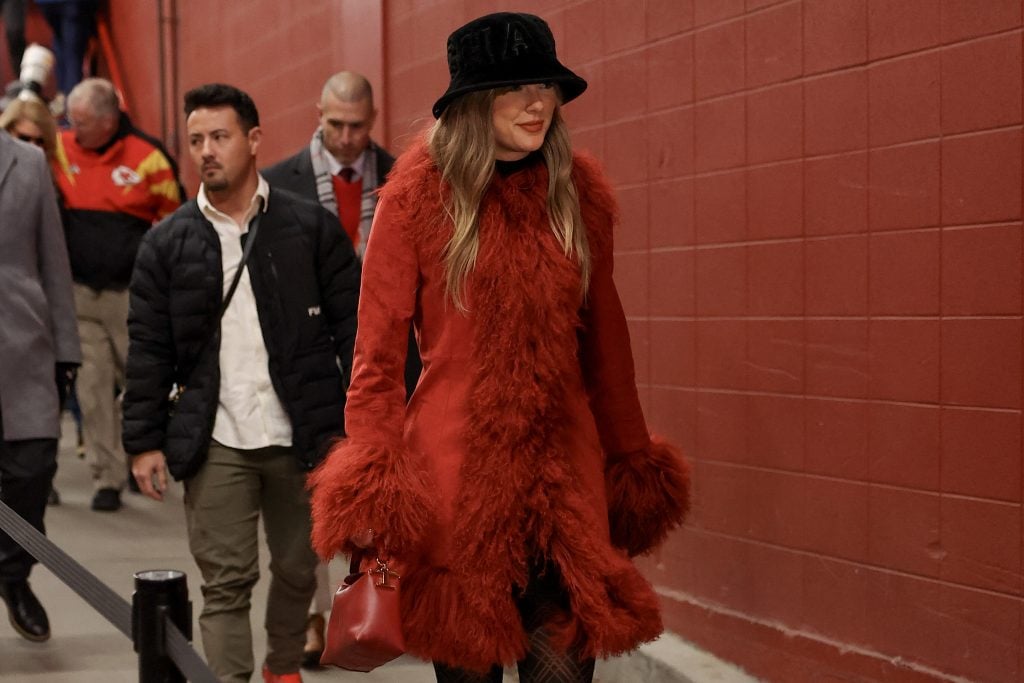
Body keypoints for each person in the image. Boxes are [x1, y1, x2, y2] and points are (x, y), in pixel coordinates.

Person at [309, 12, 690, 683]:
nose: (538, 100)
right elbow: (375, 357)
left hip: (563, 480)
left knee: (564, 670)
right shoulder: (415, 201)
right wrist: (372, 478)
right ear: (472, 104)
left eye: (545, 85)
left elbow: (608, 346)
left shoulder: (578, 197)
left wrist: (630, 459)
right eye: (516, 88)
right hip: (456, 479)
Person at [123, 83, 360, 683]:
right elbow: (148, 350)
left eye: (220, 137)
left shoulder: (309, 229)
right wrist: (143, 441)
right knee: (225, 583)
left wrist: (367, 431)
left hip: (302, 434)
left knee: (299, 569)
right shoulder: (167, 243)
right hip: (216, 437)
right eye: (196, 139)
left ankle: (282, 667)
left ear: (253, 140)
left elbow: (356, 331)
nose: (206, 150)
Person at [263, 69, 419, 668]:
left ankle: (381, 601)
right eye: (335, 125)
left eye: (358, 126)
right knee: (310, 491)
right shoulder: (280, 184)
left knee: (381, 484)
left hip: (386, 357)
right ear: (318, 115)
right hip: (310, 359)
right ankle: (310, 619)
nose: (347, 137)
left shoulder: (404, 177)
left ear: (373, 120)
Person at [53, 77, 182, 512]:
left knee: (143, 384)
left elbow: (172, 223)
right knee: (92, 389)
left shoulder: (148, 158)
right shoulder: (59, 149)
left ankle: (140, 461)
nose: (73, 127)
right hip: (80, 296)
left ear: (109, 121)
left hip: (132, 296)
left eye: (82, 121)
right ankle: (106, 478)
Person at [0, 127, 81, 643]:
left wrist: (67, 348)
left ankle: (13, 575)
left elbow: (54, 259)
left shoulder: (28, 162)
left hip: (21, 347)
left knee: (33, 467)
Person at [35, 0, 98, 96]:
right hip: (72, 4)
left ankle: (63, 94)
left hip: (47, 4)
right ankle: (71, 101)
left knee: (61, 41)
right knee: (72, 54)